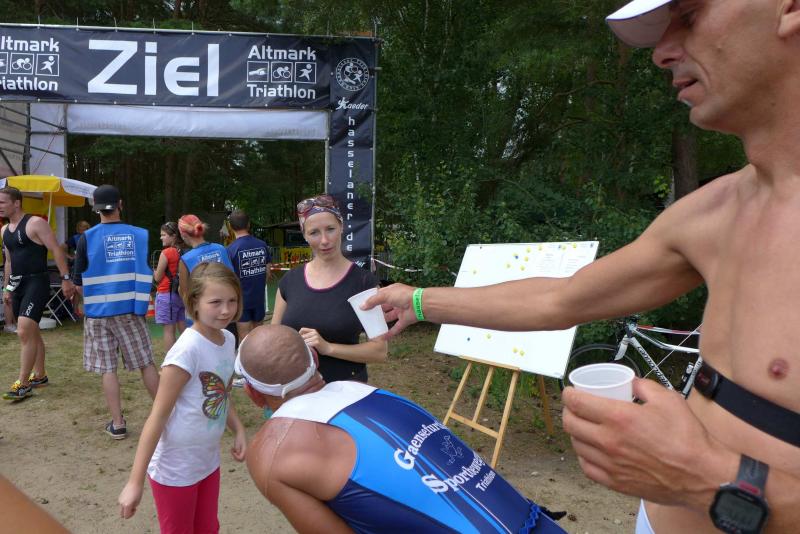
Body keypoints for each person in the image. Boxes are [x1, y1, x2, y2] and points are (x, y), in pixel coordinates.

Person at [364, 1, 800, 532]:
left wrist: (705, 478)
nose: (662, 52)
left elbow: (705, 476)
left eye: (688, 15)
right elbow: (562, 298)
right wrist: (416, 301)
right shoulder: (715, 210)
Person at [238, 324, 566, 534]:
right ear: (315, 358)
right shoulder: (367, 392)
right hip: (536, 523)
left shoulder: (270, 453)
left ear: (253, 393)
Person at [117, 262, 247, 533]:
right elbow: (158, 417)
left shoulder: (227, 340)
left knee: (208, 528)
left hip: (207, 461)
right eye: (215, 302)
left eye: (232, 300)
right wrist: (134, 482)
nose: (226, 310)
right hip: (175, 469)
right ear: (194, 302)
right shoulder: (186, 351)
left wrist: (238, 428)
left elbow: (222, 393)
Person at [73, 184, 159, 438]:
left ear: (95, 208)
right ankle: (166, 416)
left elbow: (78, 282)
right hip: (131, 311)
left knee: (108, 368)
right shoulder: (139, 235)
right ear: (120, 204)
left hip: (98, 313)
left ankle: (118, 423)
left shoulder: (86, 238)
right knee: (145, 363)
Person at [272, 194, 387, 383]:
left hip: (344, 389)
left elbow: (379, 351)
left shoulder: (364, 283)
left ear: (342, 227)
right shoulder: (289, 281)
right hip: (296, 389)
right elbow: (274, 338)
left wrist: (328, 348)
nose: (324, 240)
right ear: (304, 235)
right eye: (314, 233)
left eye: (330, 229)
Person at [1, 186, 74, 400]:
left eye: (2, 202)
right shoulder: (4, 230)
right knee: (31, 332)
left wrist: (65, 278)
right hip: (18, 284)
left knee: (24, 331)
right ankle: (40, 375)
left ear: (16, 203)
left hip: (37, 282)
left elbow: (56, 249)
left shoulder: (35, 223)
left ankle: (23, 384)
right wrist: (7, 288)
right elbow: (9, 262)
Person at [177, 214, 234, 325]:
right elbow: (233, 278)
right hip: (226, 310)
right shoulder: (221, 249)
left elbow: (185, 293)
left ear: (183, 235)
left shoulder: (186, 259)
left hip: (203, 315)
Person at [226, 209, 271, 340]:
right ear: (249, 224)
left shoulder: (230, 250)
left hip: (242, 301)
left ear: (230, 227)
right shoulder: (262, 245)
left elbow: (229, 279)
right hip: (259, 299)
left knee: (244, 338)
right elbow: (268, 271)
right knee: (259, 335)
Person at [153, 222, 187, 353]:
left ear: (173, 236)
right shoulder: (184, 252)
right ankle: (189, 354)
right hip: (180, 294)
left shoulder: (166, 253)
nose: (161, 237)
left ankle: (171, 360)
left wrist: (154, 272)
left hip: (166, 294)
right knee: (183, 327)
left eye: (163, 235)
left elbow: (158, 277)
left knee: (168, 330)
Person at [62, 220, 90, 318]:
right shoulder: (75, 238)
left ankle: (87, 309)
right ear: (78, 229)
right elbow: (61, 248)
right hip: (78, 266)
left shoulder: (91, 236)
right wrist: (70, 257)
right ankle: (74, 311)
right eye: (81, 228)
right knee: (77, 288)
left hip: (90, 265)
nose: (83, 230)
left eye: (85, 228)